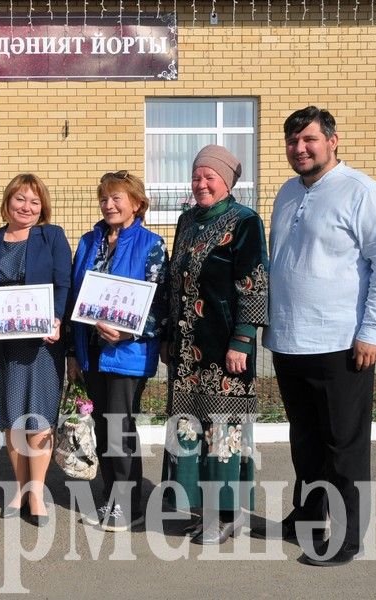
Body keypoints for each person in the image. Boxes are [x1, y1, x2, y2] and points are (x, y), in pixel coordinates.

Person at [256, 107, 376, 566]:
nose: (299, 149)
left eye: (309, 140)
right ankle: (309, 516)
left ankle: (346, 535)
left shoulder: (362, 193)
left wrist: (372, 330)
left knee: (343, 447)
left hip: (343, 345)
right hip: (291, 342)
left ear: (333, 141)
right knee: (306, 442)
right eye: (292, 141)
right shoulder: (285, 193)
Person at [160, 145, 269, 544]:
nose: (201, 183)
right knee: (190, 429)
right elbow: (175, 282)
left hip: (226, 350)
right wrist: (168, 335)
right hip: (187, 351)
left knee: (223, 432)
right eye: (196, 176)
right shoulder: (187, 220)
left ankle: (226, 514)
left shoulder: (245, 222)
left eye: (210, 176)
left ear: (227, 182)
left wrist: (243, 340)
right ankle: (200, 511)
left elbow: (254, 283)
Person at [66, 171, 168, 531]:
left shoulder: (151, 244)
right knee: (102, 427)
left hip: (127, 352)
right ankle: (111, 496)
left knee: (120, 429)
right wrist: (72, 353)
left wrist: (126, 332)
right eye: (105, 199)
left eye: (117, 198)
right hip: (90, 350)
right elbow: (73, 299)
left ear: (136, 204)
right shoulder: (89, 240)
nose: (109, 205)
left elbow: (158, 303)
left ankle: (128, 505)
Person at [0, 174, 72, 527]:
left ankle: (37, 491)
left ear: (42, 207)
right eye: (21, 199)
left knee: (40, 418)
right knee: (12, 420)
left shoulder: (52, 236)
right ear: (8, 202)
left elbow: (63, 282)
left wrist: (58, 318)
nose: (27, 207)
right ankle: (19, 489)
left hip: (42, 344)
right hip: (2, 345)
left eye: (34, 201)